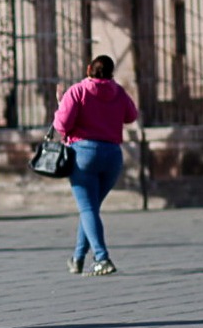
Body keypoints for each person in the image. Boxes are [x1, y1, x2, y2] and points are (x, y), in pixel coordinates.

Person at [53, 55, 139, 277]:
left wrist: (61, 103)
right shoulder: (118, 91)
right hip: (112, 155)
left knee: (88, 208)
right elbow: (131, 116)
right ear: (111, 72)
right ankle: (78, 258)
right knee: (90, 208)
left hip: (84, 154)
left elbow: (62, 124)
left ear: (89, 68)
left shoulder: (77, 91)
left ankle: (102, 258)